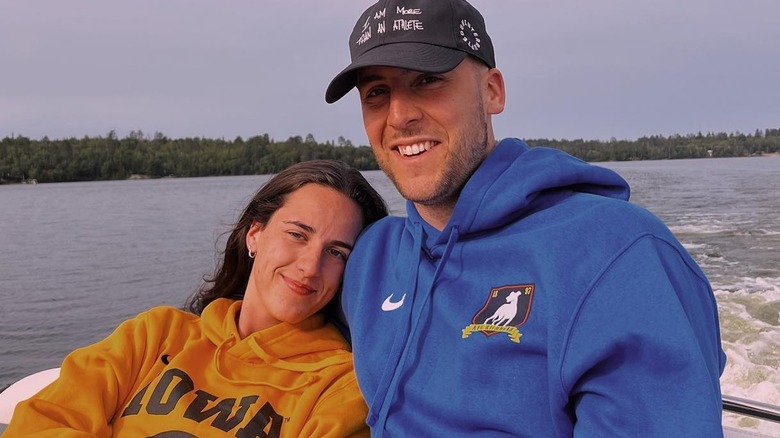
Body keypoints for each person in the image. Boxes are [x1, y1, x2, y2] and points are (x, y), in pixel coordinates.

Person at [325, 0, 727, 436]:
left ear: (492, 91)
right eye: (376, 93)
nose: (400, 115)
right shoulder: (372, 256)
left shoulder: (617, 254)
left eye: (428, 81)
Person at [5, 160, 388, 437]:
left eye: (337, 252)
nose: (310, 266)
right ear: (255, 234)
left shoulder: (338, 387)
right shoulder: (155, 335)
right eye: (297, 235)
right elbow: (43, 420)